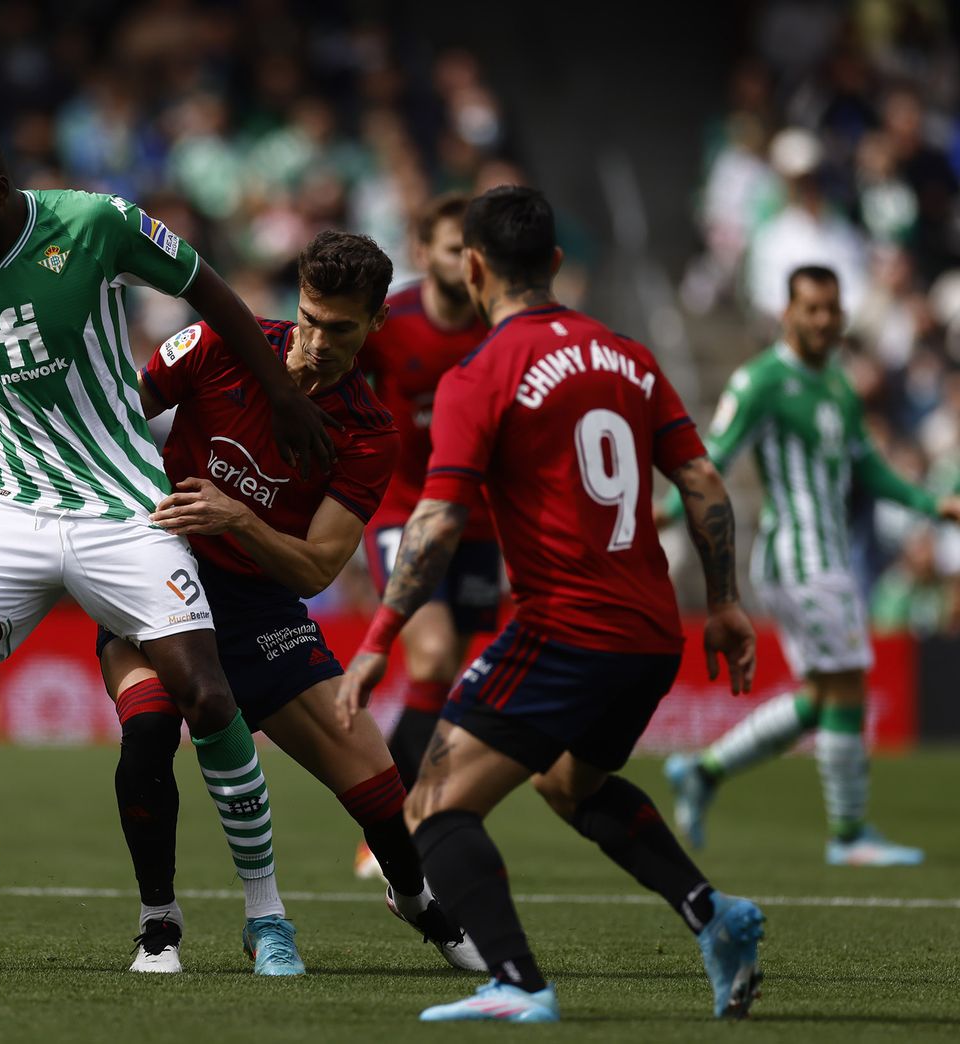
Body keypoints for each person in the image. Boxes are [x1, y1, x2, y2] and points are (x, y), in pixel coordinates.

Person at [0, 121, 336, 948]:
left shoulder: (94, 224)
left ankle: (266, 916)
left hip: (124, 502)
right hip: (13, 503)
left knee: (209, 694)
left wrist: (284, 395)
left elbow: (210, 290)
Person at [0, 231, 483, 977]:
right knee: (149, 732)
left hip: (261, 610)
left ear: (374, 325)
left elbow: (318, 565)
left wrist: (238, 517)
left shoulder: (367, 431)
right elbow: (99, 423)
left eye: (341, 328)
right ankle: (160, 926)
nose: (318, 341)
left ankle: (417, 902)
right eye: (311, 318)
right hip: (150, 574)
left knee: (376, 783)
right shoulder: (218, 342)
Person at [339, 186, 764, 1023]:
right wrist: (723, 603)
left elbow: (437, 516)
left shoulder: (482, 372)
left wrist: (381, 633)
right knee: (570, 783)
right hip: (653, 634)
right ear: (557, 264)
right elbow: (705, 484)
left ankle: (518, 983)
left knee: (433, 805)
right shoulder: (629, 354)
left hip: (567, 629)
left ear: (474, 265)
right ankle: (713, 915)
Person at [661, 266, 960, 866]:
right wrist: (664, 514)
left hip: (827, 551)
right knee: (848, 681)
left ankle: (703, 770)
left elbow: (867, 467)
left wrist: (932, 503)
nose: (823, 320)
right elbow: (709, 459)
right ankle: (848, 837)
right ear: (787, 313)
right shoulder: (762, 381)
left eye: (832, 308)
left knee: (823, 696)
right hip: (799, 554)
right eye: (812, 309)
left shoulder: (839, 386)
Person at [354, 194, 497, 880]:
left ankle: (404, 819)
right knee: (433, 654)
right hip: (403, 512)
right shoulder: (391, 323)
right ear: (423, 252)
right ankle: (384, 831)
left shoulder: (500, 327)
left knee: (441, 683)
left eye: (472, 251)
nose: (463, 262)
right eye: (450, 248)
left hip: (481, 521)